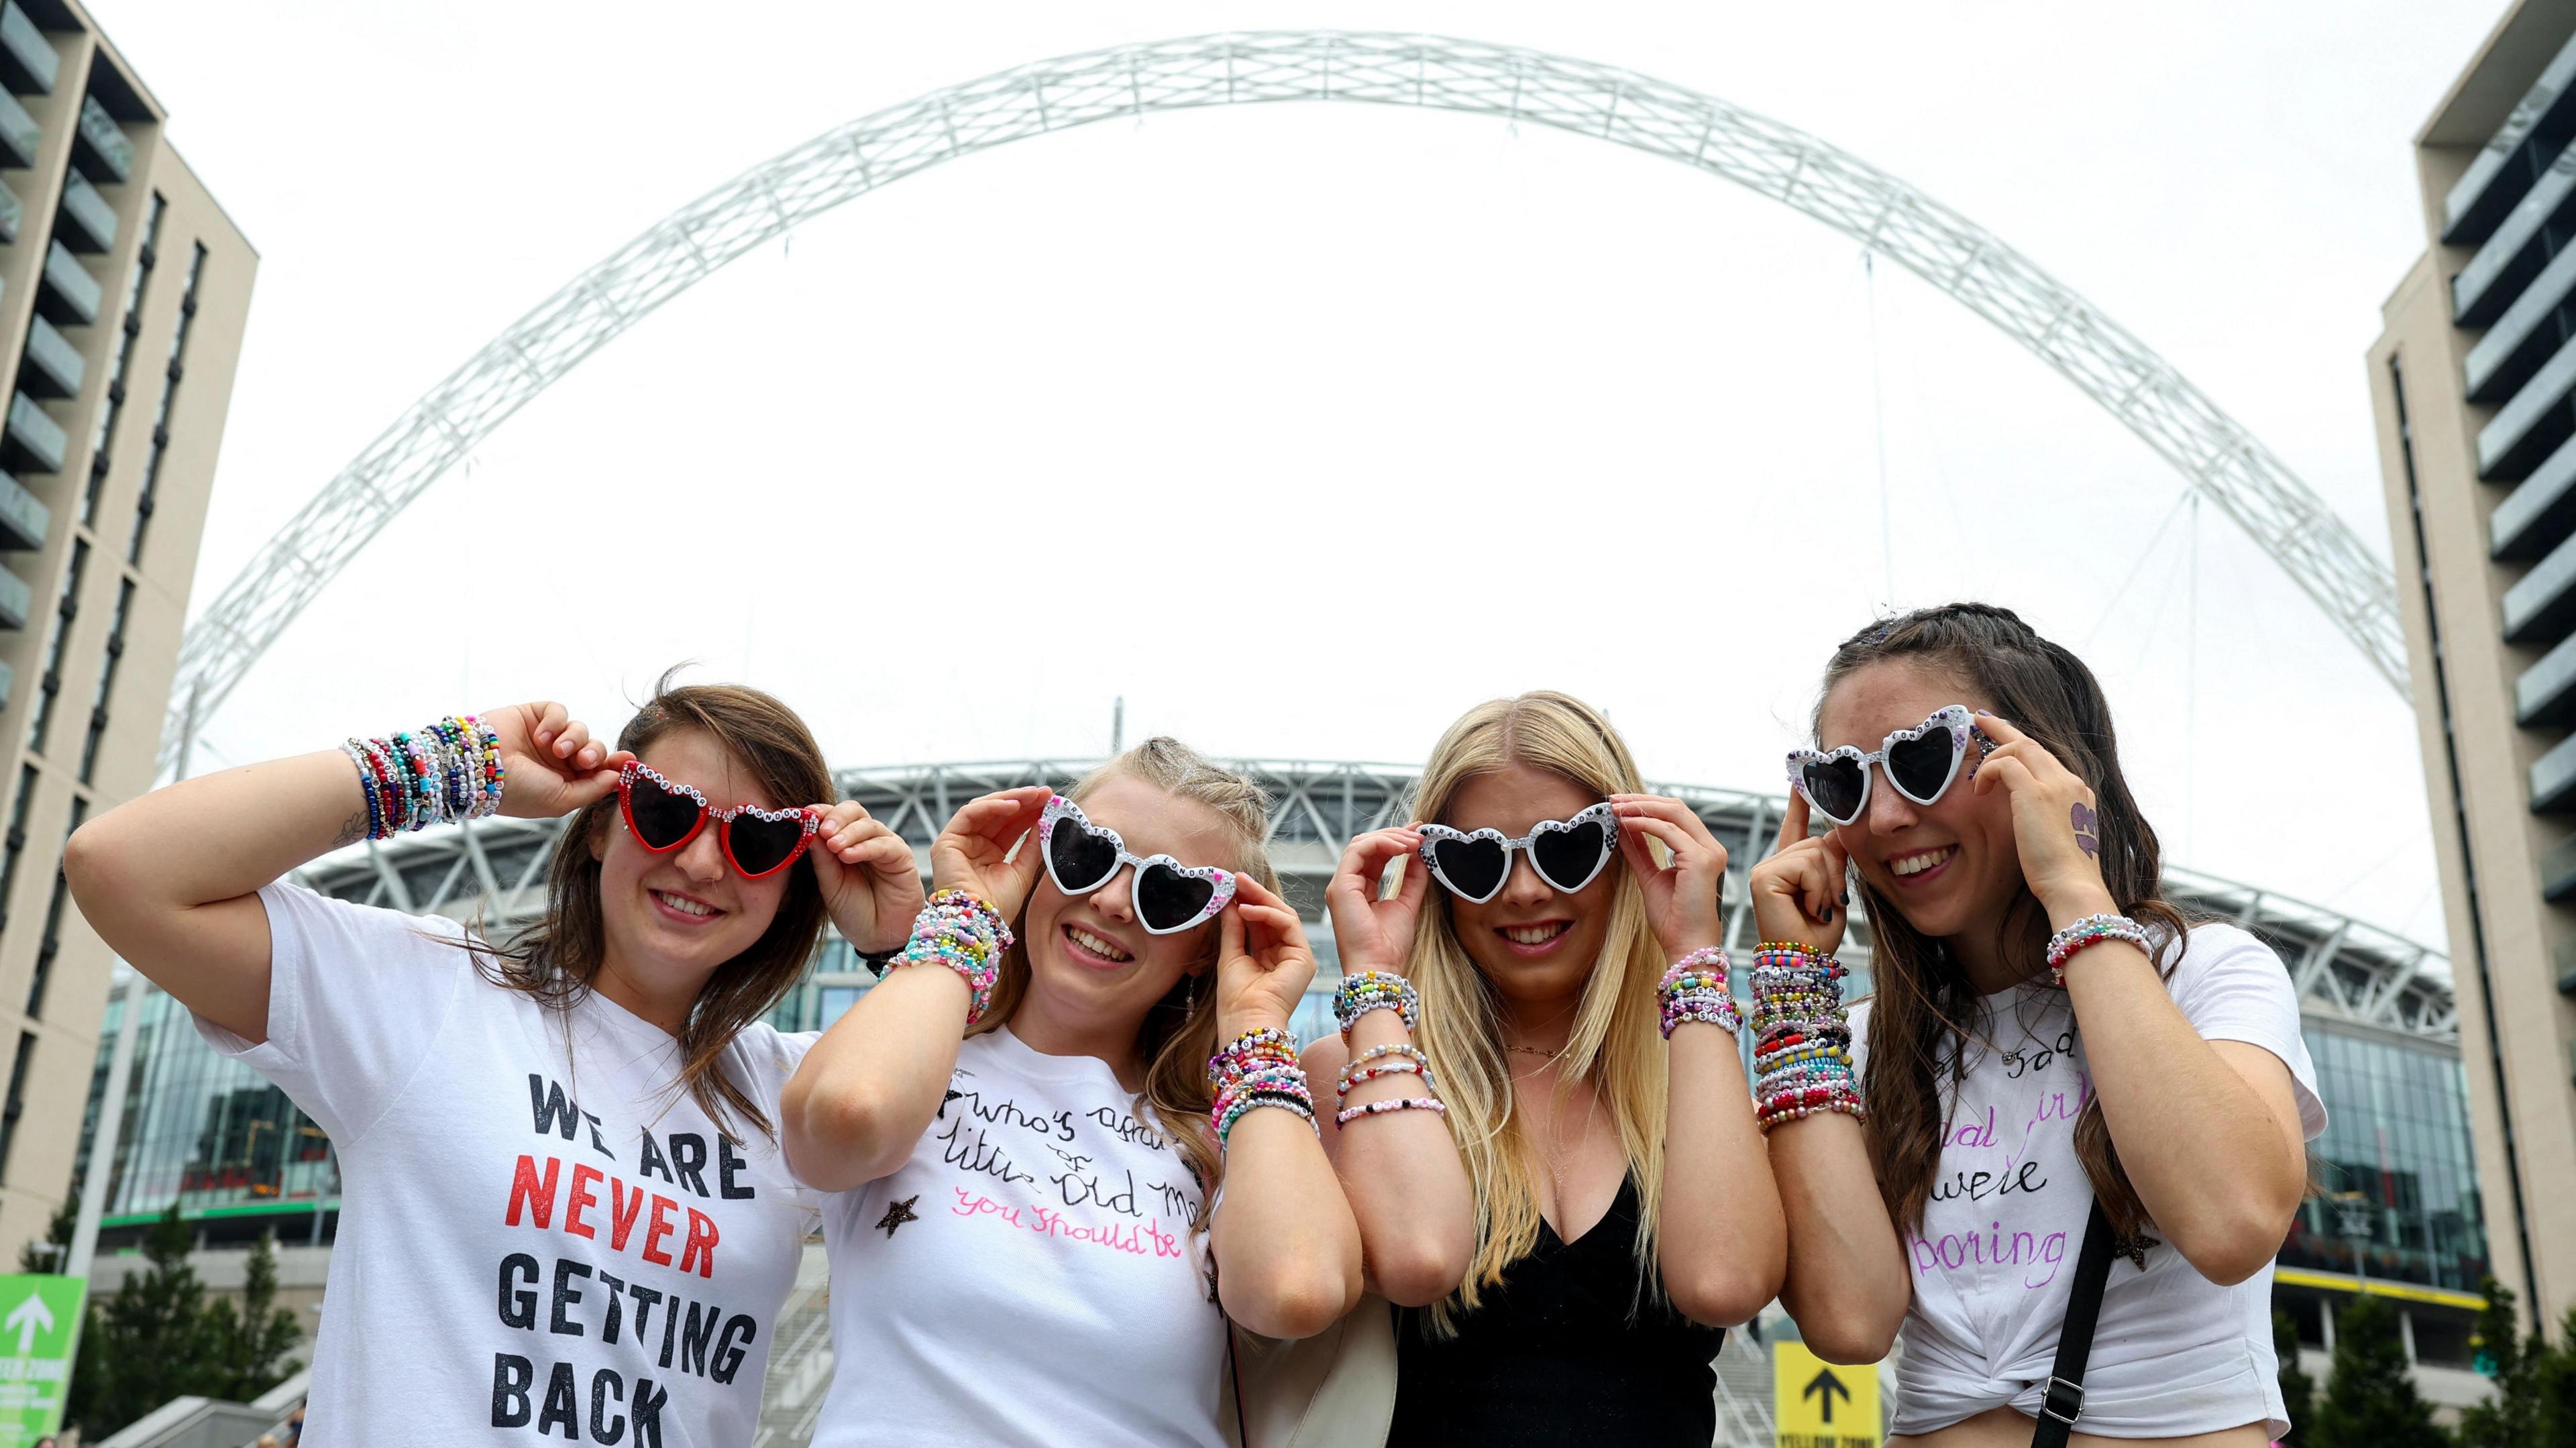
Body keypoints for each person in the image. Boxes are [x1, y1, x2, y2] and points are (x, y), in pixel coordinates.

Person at [64, 678, 925, 1445]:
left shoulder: (807, 1094)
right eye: (667, 811)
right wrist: (459, 760)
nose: (701, 860)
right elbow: (122, 867)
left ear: (794, 882)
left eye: (758, 841)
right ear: (599, 825)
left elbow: (1029, 1109)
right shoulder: (431, 997)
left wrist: (905, 952)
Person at [1759, 603, 2324, 1447]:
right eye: (1844, 781)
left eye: (1921, 759)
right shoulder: (1867, 1039)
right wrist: (1795, 990)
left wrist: (2074, 885)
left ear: (2042, 764)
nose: (1881, 817)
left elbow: (2233, 1220)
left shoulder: (2204, 972)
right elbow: (1851, 1323)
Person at [781, 738, 1363, 1447]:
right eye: (1087, 852)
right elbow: (842, 1118)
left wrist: (1255, 1026)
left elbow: (1293, 1289)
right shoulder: (907, 1066)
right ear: (1037, 857)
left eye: (1168, 892)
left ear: (1208, 944)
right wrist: (966, 911)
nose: (1114, 901)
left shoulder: (1227, 1138)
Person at [1307, 690, 1786, 1446]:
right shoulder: (1358, 1067)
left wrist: (1694, 952)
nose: (1526, 887)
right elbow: (1416, 1257)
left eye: (1567, 847)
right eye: (1477, 859)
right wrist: (1373, 980)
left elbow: (1726, 1283)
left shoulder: (1694, 1076)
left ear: (1631, 853)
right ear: (1431, 874)